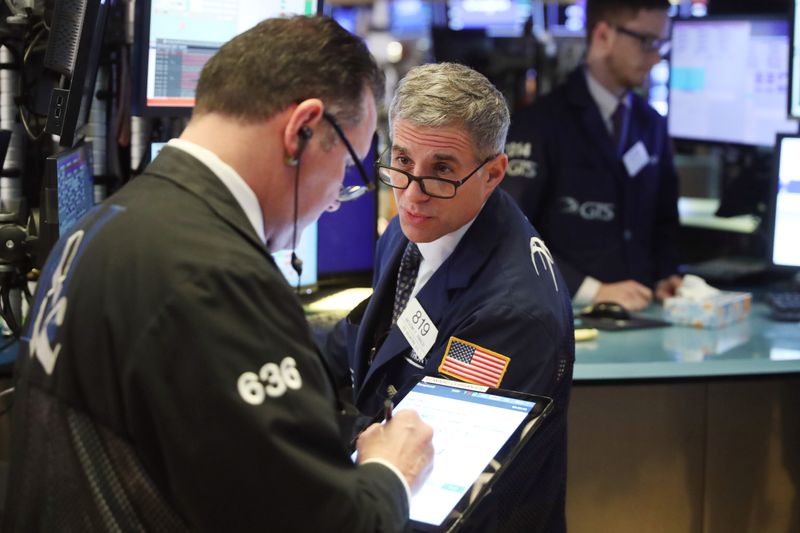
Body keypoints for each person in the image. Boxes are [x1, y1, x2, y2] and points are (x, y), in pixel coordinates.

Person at [3, 16, 434, 532]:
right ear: (302, 129)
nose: (336, 200)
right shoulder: (215, 276)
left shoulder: (107, 222)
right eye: (347, 168)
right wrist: (393, 470)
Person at [325, 62, 575, 532]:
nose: (413, 194)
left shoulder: (511, 313)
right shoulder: (411, 232)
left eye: (442, 169)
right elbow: (367, 338)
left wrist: (297, 426)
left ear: (494, 172)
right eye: (402, 162)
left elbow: (428, 458)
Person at [504, 0, 682, 311]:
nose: (656, 57)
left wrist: (666, 273)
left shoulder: (651, 124)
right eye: (647, 41)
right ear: (603, 36)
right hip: (565, 312)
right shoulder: (540, 124)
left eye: (662, 44)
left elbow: (664, 220)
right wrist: (590, 290)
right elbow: (511, 232)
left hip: (642, 313)